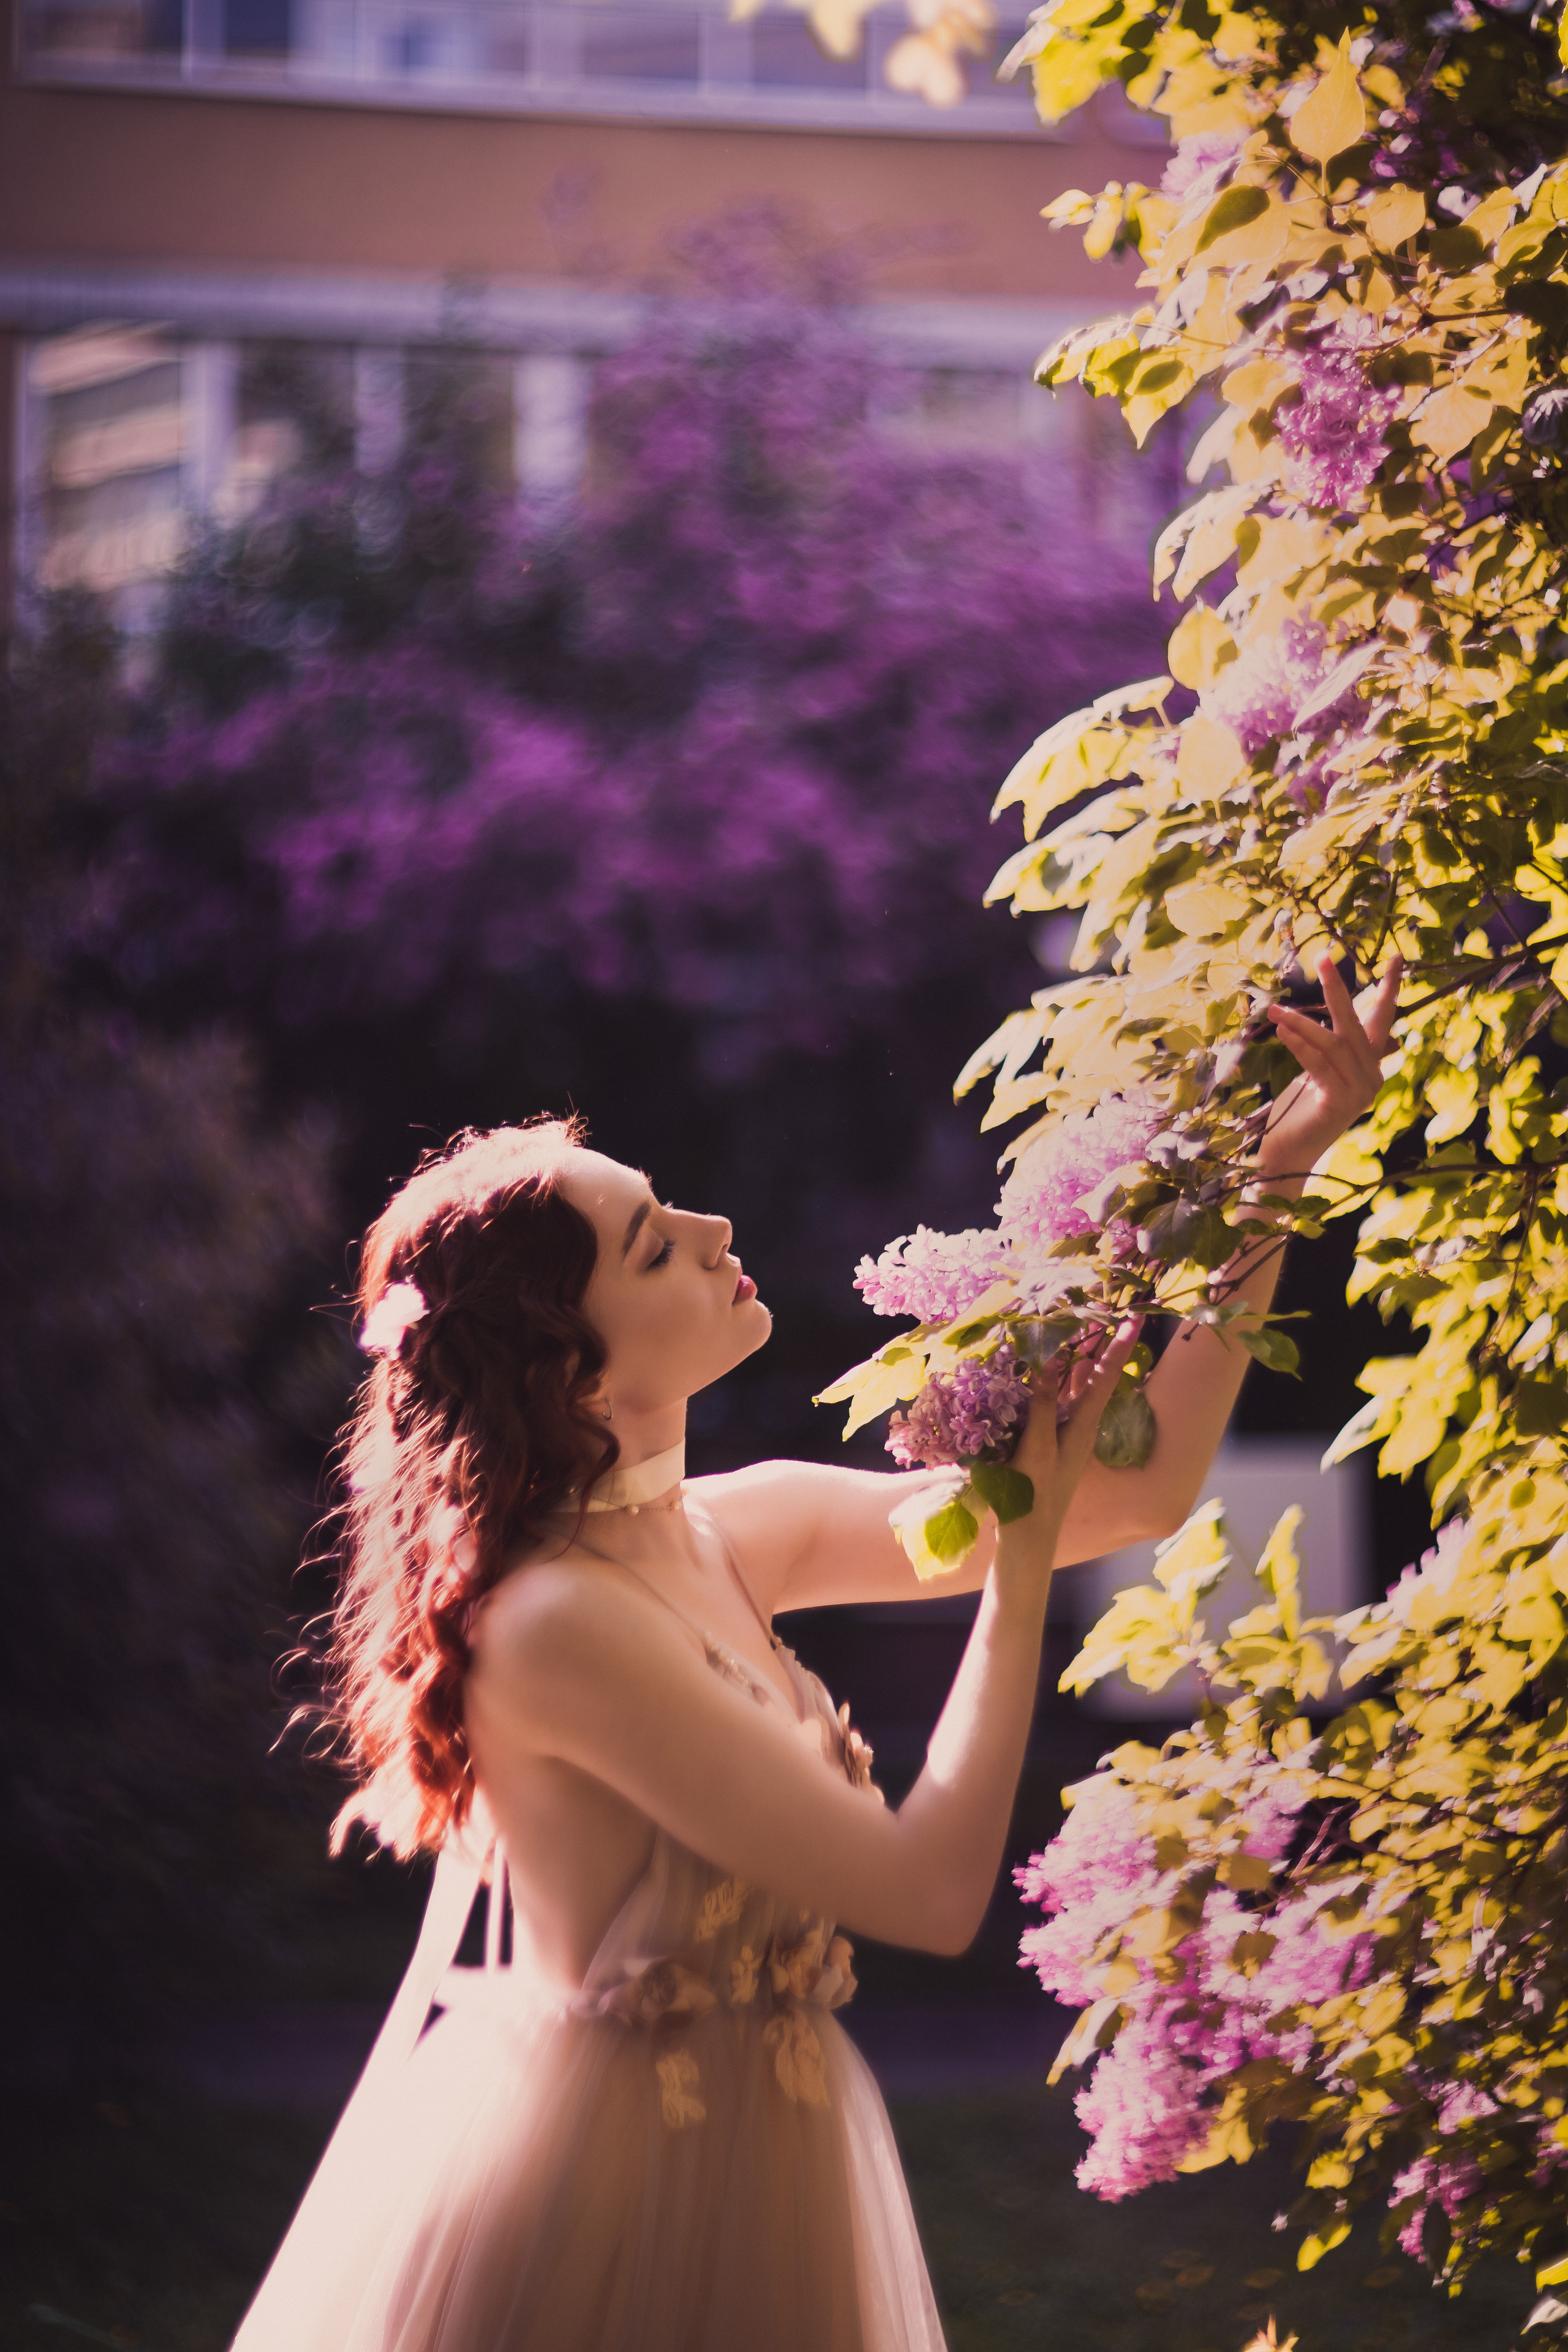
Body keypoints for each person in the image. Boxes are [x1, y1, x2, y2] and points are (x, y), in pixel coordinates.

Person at [232, 950, 1400, 2352]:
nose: (719, 1228)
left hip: (776, 2156)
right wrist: (1014, 1580)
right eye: (658, 1244)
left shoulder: (735, 1526)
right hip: (614, 2202)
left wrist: (1279, 1170)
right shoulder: (552, 1625)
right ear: (577, 1378)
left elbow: (1130, 1498)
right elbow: (926, 1894)